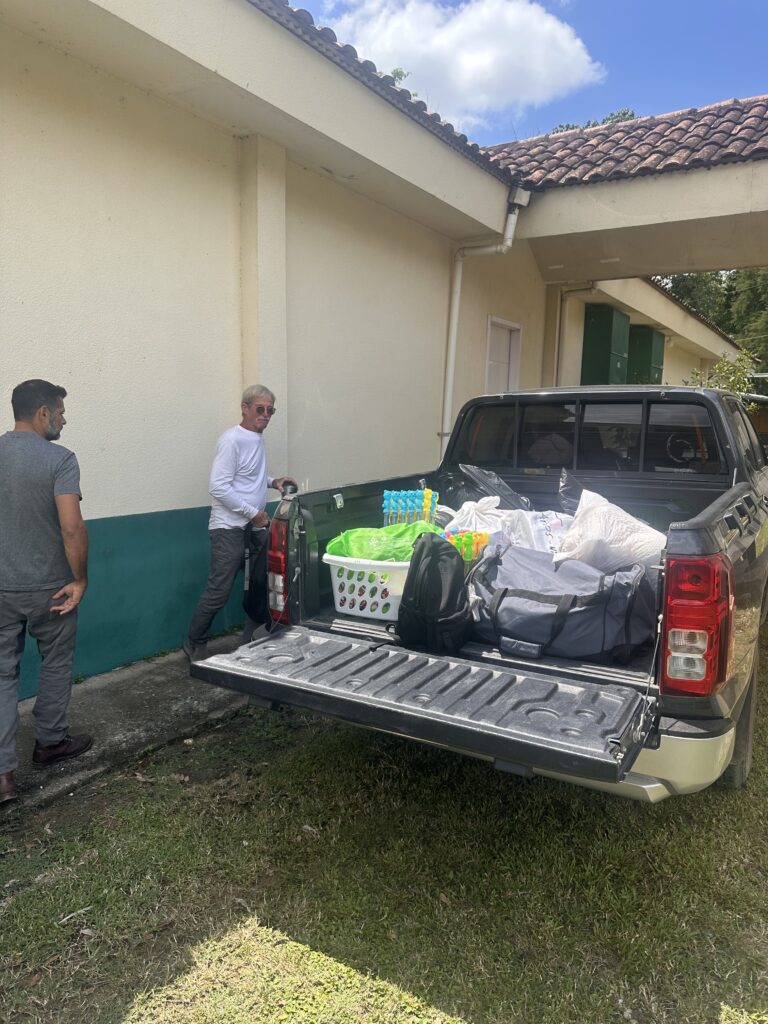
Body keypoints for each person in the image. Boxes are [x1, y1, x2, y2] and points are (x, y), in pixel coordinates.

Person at [0, 380, 92, 807]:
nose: (64, 419)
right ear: (42, 413)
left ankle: (3, 776)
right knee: (55, 662)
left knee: (2, 675)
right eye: (60, 411)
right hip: (52, 588)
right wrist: (81, 579)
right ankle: (51, 742)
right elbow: (71, 526)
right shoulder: (60, 459)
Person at [185, 385, 296, 660]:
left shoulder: (257, 439)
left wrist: (274, 481)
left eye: (270, 410)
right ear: (245, 408)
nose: (266, 414)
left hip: (253, 526)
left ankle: (250, 641)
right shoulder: (231, 440)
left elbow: (250, 476)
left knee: (260, 584)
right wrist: (253, 513)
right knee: (219, 590)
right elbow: (218, 486)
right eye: (260, 409)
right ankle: (194, 642)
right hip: (228, 528)